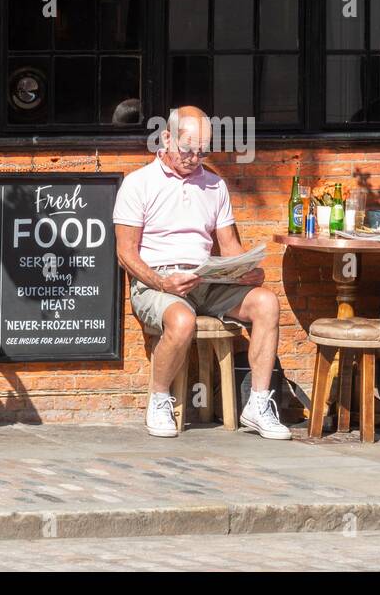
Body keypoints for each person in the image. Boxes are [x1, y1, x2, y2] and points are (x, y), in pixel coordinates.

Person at [113, 106, 288, 439]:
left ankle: (258, 403)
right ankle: (160, 399)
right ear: (166, 138)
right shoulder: (138, 184)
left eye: (202, 151)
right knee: (182, 320)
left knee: (266, 303)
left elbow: (230, 244)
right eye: (187, 149)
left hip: (206, 279)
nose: (193, 158)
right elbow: (125, 253)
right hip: (157, 282)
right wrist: (161, 281)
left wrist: (245, 270)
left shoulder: (214, 185)